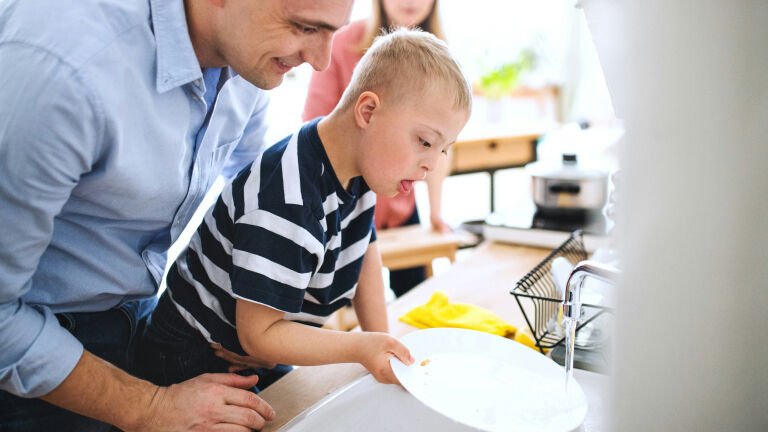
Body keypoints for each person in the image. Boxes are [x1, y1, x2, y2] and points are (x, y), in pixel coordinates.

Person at [0, 0, 354, 431]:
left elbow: (261, 193)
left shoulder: (246, 59)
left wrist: (262, 322)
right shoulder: (65, 67)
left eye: (333, 31)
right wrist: (150, 407)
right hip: (32, 349)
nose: (321, 62)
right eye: (303, 27)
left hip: (144, 314)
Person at [137, 28, 472, 389]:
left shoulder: (359, 166)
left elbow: (365, 253)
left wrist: (383, 344)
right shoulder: (289, 195)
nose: (432, 164)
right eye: (425, 142)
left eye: (442, 149)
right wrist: (361, 346)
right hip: (194, 357)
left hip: (261, 348)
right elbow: (259, 336)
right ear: (368, 111)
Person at [302, 0, 450, 297]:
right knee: (337, 300)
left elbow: (439, 145)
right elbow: (314, 125)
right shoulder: (342, 42)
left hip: (400, 204)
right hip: (342, 203)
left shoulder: (440, 59)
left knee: (416, 296)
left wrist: (436, 212)